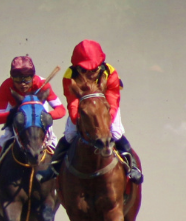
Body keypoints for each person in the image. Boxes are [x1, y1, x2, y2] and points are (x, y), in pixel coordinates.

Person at [42, 40, 143, 184]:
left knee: (115, 132)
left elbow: (113, 98)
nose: (89, 73)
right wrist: (78, 119)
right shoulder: (69, 75)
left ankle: (133, 167)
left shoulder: (110, 72)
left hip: (106, 108)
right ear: (77, 67)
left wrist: (105, 120)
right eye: (84, 70)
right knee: (70, 135)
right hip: (82, 110)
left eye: (94, 69)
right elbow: (72, 101)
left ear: (100, 65)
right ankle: (53, 169)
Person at [0, 55, 66, 188]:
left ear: (33, 77)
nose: (23, 84)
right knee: (5, 139)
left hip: (39, 119)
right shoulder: (6, 86)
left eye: (27, 79)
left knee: (52, 141)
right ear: (11, 78)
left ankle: (60, 175)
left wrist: (46, 116)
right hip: (18, 120)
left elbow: (61, 110)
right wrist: (15, 114)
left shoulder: (42, 84)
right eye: (17, 80)